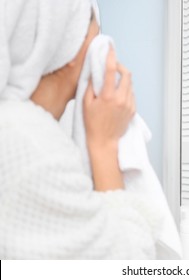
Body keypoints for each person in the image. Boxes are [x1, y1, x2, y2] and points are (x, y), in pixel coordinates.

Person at [0, 0, 167, 259]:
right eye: (92, 25)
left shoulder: (30, 131)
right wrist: (105, 143)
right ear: (65, 40)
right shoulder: (31, 149)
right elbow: (129, 264)